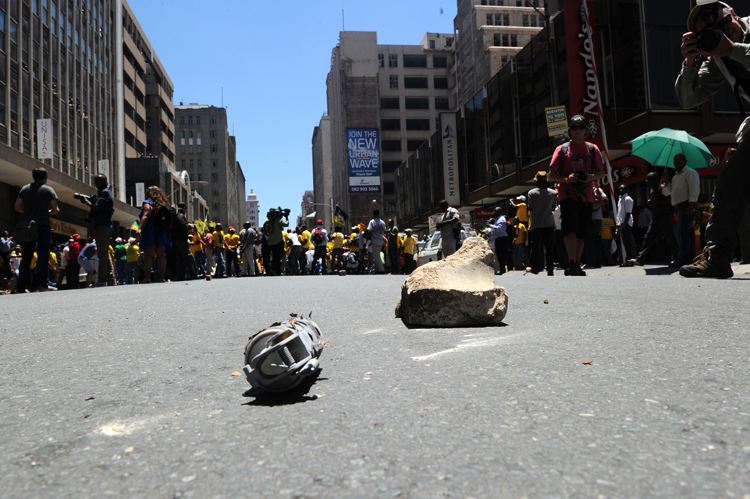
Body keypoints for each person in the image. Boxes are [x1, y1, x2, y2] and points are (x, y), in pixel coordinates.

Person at [676, 1, 748, 277]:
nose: (721, 35)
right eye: (709, 33)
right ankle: (717, 255)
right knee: (732, 176)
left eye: (723, 26)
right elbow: (689, 98)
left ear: (735, 16)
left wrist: (732, 49)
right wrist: (689, 63)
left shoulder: (728, 48)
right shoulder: (718, 57)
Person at [547, 115, 606, 276]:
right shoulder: (562, 149)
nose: (578, 130)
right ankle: (571, 262)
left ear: (585, 130)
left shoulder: (592, 149)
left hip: (587, 196)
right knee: (569, 228)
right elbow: (551, 174)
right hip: (567, 194)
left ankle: (576, 263)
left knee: (582, 230)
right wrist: (566, 179)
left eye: (581, 127)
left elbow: (601, 171)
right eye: (574, 128)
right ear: (570, 131)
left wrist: (590, 176)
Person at [13, 167, 60, 292]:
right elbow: (56, 209)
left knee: (26, 256)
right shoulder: (49, 190)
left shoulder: (24, 189)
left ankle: (21, 287)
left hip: (28, 226)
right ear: (45, 178)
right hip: (43, 225)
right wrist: (46, 212)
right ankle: (43, 285)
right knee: (43, 255)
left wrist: (28, 211)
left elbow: (17, 207)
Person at [635, 172, 681, 267]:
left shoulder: (663, 188)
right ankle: (640, 259)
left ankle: (678, 259)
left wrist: (657, 202)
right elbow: (656, 200)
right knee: (648, 238)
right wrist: (652, 202)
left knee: (670, 238)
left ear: (655, 180)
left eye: (648, 179)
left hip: (665, 217)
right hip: (656, 217)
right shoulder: (652, 190)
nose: (646, 181)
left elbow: (671, 199)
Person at [662, 153, 701, 265]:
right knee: (688, 234)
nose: (677, 161)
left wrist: (691, 205)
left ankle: (683, 258)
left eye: (680, 159)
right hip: (680, 207)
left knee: (682, 233)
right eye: (675, 160)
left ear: (685, 161)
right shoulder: (676, 177)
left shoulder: (690, 172)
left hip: (687, 205)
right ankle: (690, 258)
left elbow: (694, 190)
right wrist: (666, 181)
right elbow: (672, 191)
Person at [78, 174, 114, 287]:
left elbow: (96, 207)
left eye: (100, 181)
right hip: (104, 226)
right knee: (104, 253)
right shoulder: (105, 193)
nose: (98, 183)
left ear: (106, 182)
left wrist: (86, 202)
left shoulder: (104, 193)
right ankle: (111, 279)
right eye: (96, 181)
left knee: (102, 254)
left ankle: (102, 280)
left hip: (102, 226)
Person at [137, 186, 172, 283]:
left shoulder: (148, 203)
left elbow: (146, 215)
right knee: (161, 255)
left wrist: (140, 228)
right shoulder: (163, 204)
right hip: (162, 231)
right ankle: (161, 278)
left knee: (148, 255)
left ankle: (147, 278)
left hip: (150, 230)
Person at [527, 171, 557, 276]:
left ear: (536, 181)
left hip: (536, 223)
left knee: (535, 247)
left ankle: (535, 268)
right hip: (549, 223)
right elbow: (553, 207)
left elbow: (530, 208)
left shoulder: (531, 193)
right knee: (549, 248)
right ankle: (550, 269)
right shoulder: (553, 193)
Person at [171, 203, 197, 280]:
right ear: (184, 208)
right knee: (188, 256)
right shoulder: (181, 216)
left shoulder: (177, 216)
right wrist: (190, 226)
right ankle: (193, 273)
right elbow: (183, 226)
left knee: (180, 258)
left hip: (177, 239)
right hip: (181, 239)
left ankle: (180, 276)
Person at [585, 185, 607, 269]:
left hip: (596, 218)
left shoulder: (597, 190)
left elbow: (606, 200)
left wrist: (593, 200)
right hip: (588, 218)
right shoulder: (585, 190)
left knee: (590, 239)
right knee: (595, 240)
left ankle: (590, 262)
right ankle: (597, 262)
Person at [264, 208, 289, 276]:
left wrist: (268, 235)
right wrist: (287, 218)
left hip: (271, 242)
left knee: (275, 256)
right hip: (279, 241)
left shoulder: (267, 221)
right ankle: (272, 268)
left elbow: (263, 230)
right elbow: (286, 224)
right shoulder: (278, 220)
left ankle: (277, 271)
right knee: (279, 256)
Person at [616, 185, 636, 266]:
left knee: (628, 242)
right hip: (622, 223)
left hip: (626, 223)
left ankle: (630, 259)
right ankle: (626, 259)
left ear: (626, 189)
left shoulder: (628, 199)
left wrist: (624, 224)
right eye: (619, 188)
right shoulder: (620, 199)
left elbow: (628, 213)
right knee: (624, 242)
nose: (620, 190)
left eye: (622, 188)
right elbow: (620, 213)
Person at [488, 207, 509, 275]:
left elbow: (500, 228)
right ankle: (502, 269)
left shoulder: (501, 219)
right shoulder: (498, 219)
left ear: (500, 212)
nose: (494, 213)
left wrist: (491, 226)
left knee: (501, 255)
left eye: (496, 211)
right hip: (498, 239)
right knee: (499, 255)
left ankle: (502, 270)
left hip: (501, 239)